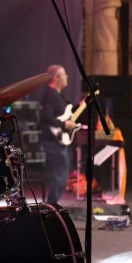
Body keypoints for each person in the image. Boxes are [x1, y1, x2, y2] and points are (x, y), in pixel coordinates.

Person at [39, 65, 77, 205]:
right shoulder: (50, 94)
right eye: (64, 74)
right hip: (52, 139)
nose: (67, 77)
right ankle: (52, 205)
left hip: (57, 140)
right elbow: (45, 116)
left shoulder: (58, 95)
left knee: (62, 171)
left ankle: (53, 204)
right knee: (60, 172)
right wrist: (63, 125)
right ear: (56, 77)